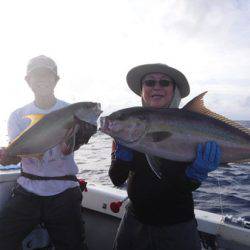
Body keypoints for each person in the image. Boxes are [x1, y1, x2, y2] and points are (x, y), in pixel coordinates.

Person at [109, 63, 221, 250]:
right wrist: (121, 158)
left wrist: (195, 174)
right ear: (142, 90)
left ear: (173, 90)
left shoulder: (188, 118)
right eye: (150, 82)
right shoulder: (129, 126)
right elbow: (116, 178)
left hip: (177, 228)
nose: (157, 87)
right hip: (134, 223)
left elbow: (183, 188)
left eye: (164, 82)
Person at [0, 55, 88, 250]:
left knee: (73, 246)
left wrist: (81, 135)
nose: (41, 79)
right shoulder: (17, 115)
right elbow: (15, 154)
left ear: (56, 79)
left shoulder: (71, 111)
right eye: (36, 75)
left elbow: (67, 149)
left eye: (47, 75)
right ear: (28, 81)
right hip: (28, 190)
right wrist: (7, 157)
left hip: (64, 190)